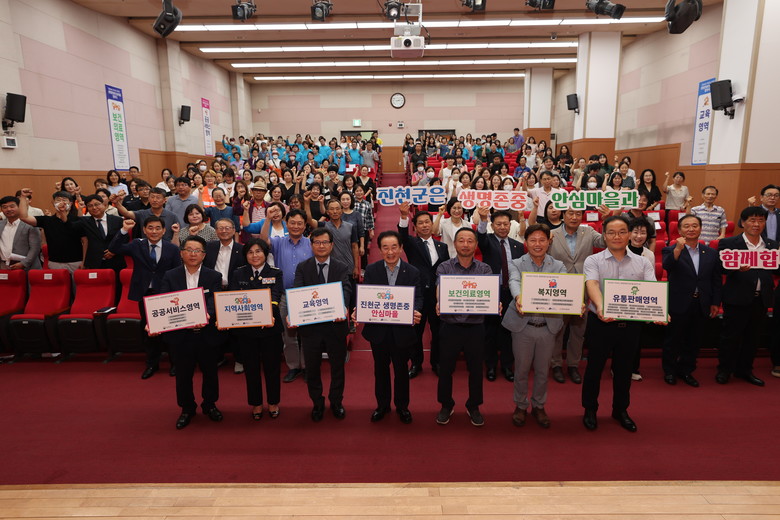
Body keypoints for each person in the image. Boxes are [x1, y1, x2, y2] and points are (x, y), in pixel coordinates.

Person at [582, 215, 657, 433]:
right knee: (594, 369)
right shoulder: (593, 260)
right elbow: (592, 284)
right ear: (604, 236)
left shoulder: (643, 262)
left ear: (630, 235)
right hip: (601, 323)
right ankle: (590, 409)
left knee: (624, 371)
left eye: (622, 232)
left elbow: (652, 289)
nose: (617, 236)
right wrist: (601, 306)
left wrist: (660, 311)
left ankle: (620, 410)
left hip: (630, 325)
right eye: (612, 232)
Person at [502, 224, 569, 429]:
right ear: (526, 243)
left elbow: (566, 291)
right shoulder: (516, 263)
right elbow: (514, 281)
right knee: (521, 370)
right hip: (523, 326)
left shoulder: (559, 266)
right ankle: (521, 405)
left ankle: (539, 405)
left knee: (542, 371)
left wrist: (575, 302)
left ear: (549, 242)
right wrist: (519, 297)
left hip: (548, 326)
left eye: (542, 240)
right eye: (533, 240)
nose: (537, 244)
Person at [158, 235, 224, 430]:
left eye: (197, 251)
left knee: (210, 373)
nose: (193, 254)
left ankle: (210, 404)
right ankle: (187, 408)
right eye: (189, 250)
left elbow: (214, 301)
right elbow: (163, 301)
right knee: (183, 375)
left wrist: (204, 315)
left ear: (204, 255)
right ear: (181, 253)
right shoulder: (170, 275)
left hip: (206, 334)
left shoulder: (214, 276)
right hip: (180, 335)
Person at [360, 231, 423, 424]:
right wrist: (359, 309)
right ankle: (382, 405)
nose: (390, 252)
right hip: (378, 331)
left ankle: (402, 406)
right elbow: (365, 296)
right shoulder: (372, 270)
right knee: (380, 370)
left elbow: (418, 298)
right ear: (379, 250)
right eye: (385, 248)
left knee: (401, 371)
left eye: (394, 247)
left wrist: (416, 310)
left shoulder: (412, 272)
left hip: (402, 332)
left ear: (401, 248)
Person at [435, 228, 495, 427]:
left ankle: (474, 405)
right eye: (461, 240)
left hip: (475, 327)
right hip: (450, 326)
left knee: (476, 369)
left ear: (476, 245)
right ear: (455, 243)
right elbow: (439, 289)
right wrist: (439, 301)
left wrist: (494, 303)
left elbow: (489, 295)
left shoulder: (484, 269)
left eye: (470, 241)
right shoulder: (444, 267)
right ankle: (446, 404)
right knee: (445, 369)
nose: (465, 244)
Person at [108, 216, 181, 379]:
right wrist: (124, 230)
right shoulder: (137, 245)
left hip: (166, 295)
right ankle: (152, 364)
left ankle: (175, 364)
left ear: (164, 230)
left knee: (171, 331)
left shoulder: (172, 248)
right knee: (150, 331)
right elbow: (114, 248)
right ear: (144, 230)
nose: (154, 231)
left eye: (158, 228)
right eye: (150, 228)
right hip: (145, 294)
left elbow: (177, 272)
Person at [292, 227, 352, 421]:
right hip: (311, 328)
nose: (321, 246)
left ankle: (336, 402)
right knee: (312, 368)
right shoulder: (303, 267)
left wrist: (342, 306)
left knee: (337, 368)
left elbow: (346, 289)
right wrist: (294, 312)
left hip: (335, 326)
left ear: (331, 245)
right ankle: (317, 403)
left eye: (325, 242)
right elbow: (298, 291)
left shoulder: (341, 267)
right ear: (311, 245)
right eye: (317, 242)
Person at [716, 206, 778, 387]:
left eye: (760, 220)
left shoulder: (772, 245)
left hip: (761, 298)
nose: (756, 224)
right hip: (737, 297)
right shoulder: (728, 243)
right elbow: (719, 268)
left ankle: (745, 370)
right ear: (743, 223)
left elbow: (777, 270)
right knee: (730, 337)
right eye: (752, 220)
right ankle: (724, 369)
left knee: (753, 338)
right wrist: (735, 267)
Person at [227, 239, 284, 421]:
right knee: (251, 369)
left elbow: (275, 296)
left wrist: (268, 313)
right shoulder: (238, 273)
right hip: (246, 330)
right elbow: (232, 297)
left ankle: (273, 402)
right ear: (245, 256)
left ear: (265, 254)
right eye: (250, 252)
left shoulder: (275, 273)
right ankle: (256, 403)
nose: (254, 255)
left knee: (272, 368)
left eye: (258, 251)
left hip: (270, 328)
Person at [661, 214, 722, 387]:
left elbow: (716, 280)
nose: (691, 229)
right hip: (678, 302)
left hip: (701, 303)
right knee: (673, 339)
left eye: (695, 225)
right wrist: (677, 249)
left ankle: (686, 370)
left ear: (700, 229)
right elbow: (667, 266)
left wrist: (715, 302)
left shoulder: (711, 253)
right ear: (680, 230)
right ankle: (670, 370)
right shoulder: (670, 249)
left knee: (694, 340)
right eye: (686, 226)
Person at [547, 208, 606, 384]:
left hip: (582, 289)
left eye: (578, 214)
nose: (574, 217)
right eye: (570, 213)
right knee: (557, 330)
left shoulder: (588, 232)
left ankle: (573, 365)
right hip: (559, 288)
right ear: (563, 215)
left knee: (578, 331)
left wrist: (607, 220)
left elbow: (604, 242)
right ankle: (556, 364)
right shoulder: (551, 234)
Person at [398, 202, 449, 378]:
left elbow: (445, 271)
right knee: (416, 332)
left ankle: (437, 363)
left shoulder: (442, 247)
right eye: (421, 223)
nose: (425, 225)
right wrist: (404, 216)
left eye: (427, 222)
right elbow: (402, 236)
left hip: (437, 295)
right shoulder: (412, 243)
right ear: (415, 227)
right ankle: (416, 363)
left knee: (438, 331)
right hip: (418, 295)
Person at [476, 207, 524, 382]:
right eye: (499, 224)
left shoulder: (518, 245)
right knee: (490, 331)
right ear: (492, 225)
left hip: (511, 293)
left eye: (505, 224)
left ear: (510, 225)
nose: (503, 227)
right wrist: (483, 219)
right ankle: (490, 366)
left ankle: (507, 366)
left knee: (508, 331)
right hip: (491, 292)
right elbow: (480, 237)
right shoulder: (487, 241)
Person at [19, 192, 82, 273]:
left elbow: (84, 240)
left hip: (76, 262)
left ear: (70, 203)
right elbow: (24, 217)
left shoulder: (77, 220)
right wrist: (23, 197)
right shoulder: (47, 220)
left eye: (64, 200)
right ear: (53, 203)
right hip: (55, 262)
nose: (61, 202)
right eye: (58, 200)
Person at [76, 195, 125, 272]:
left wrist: (114, 250)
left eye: (97, 204)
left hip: (115, 261)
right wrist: (79, 209)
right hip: (94, 263)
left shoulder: (117, 220)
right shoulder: (84, 222)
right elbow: (73, 222)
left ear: (104, 205)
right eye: (90, 206)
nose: (94, 208)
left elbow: (124, 239)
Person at [0, 196, 41, 270]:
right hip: (3, 267)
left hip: (27, 267)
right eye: (5, 207)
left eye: (12, 206)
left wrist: (24, 263)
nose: (8, 209)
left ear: (19, 207)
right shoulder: (0, 224)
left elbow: (35, 248)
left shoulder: (30, 224)